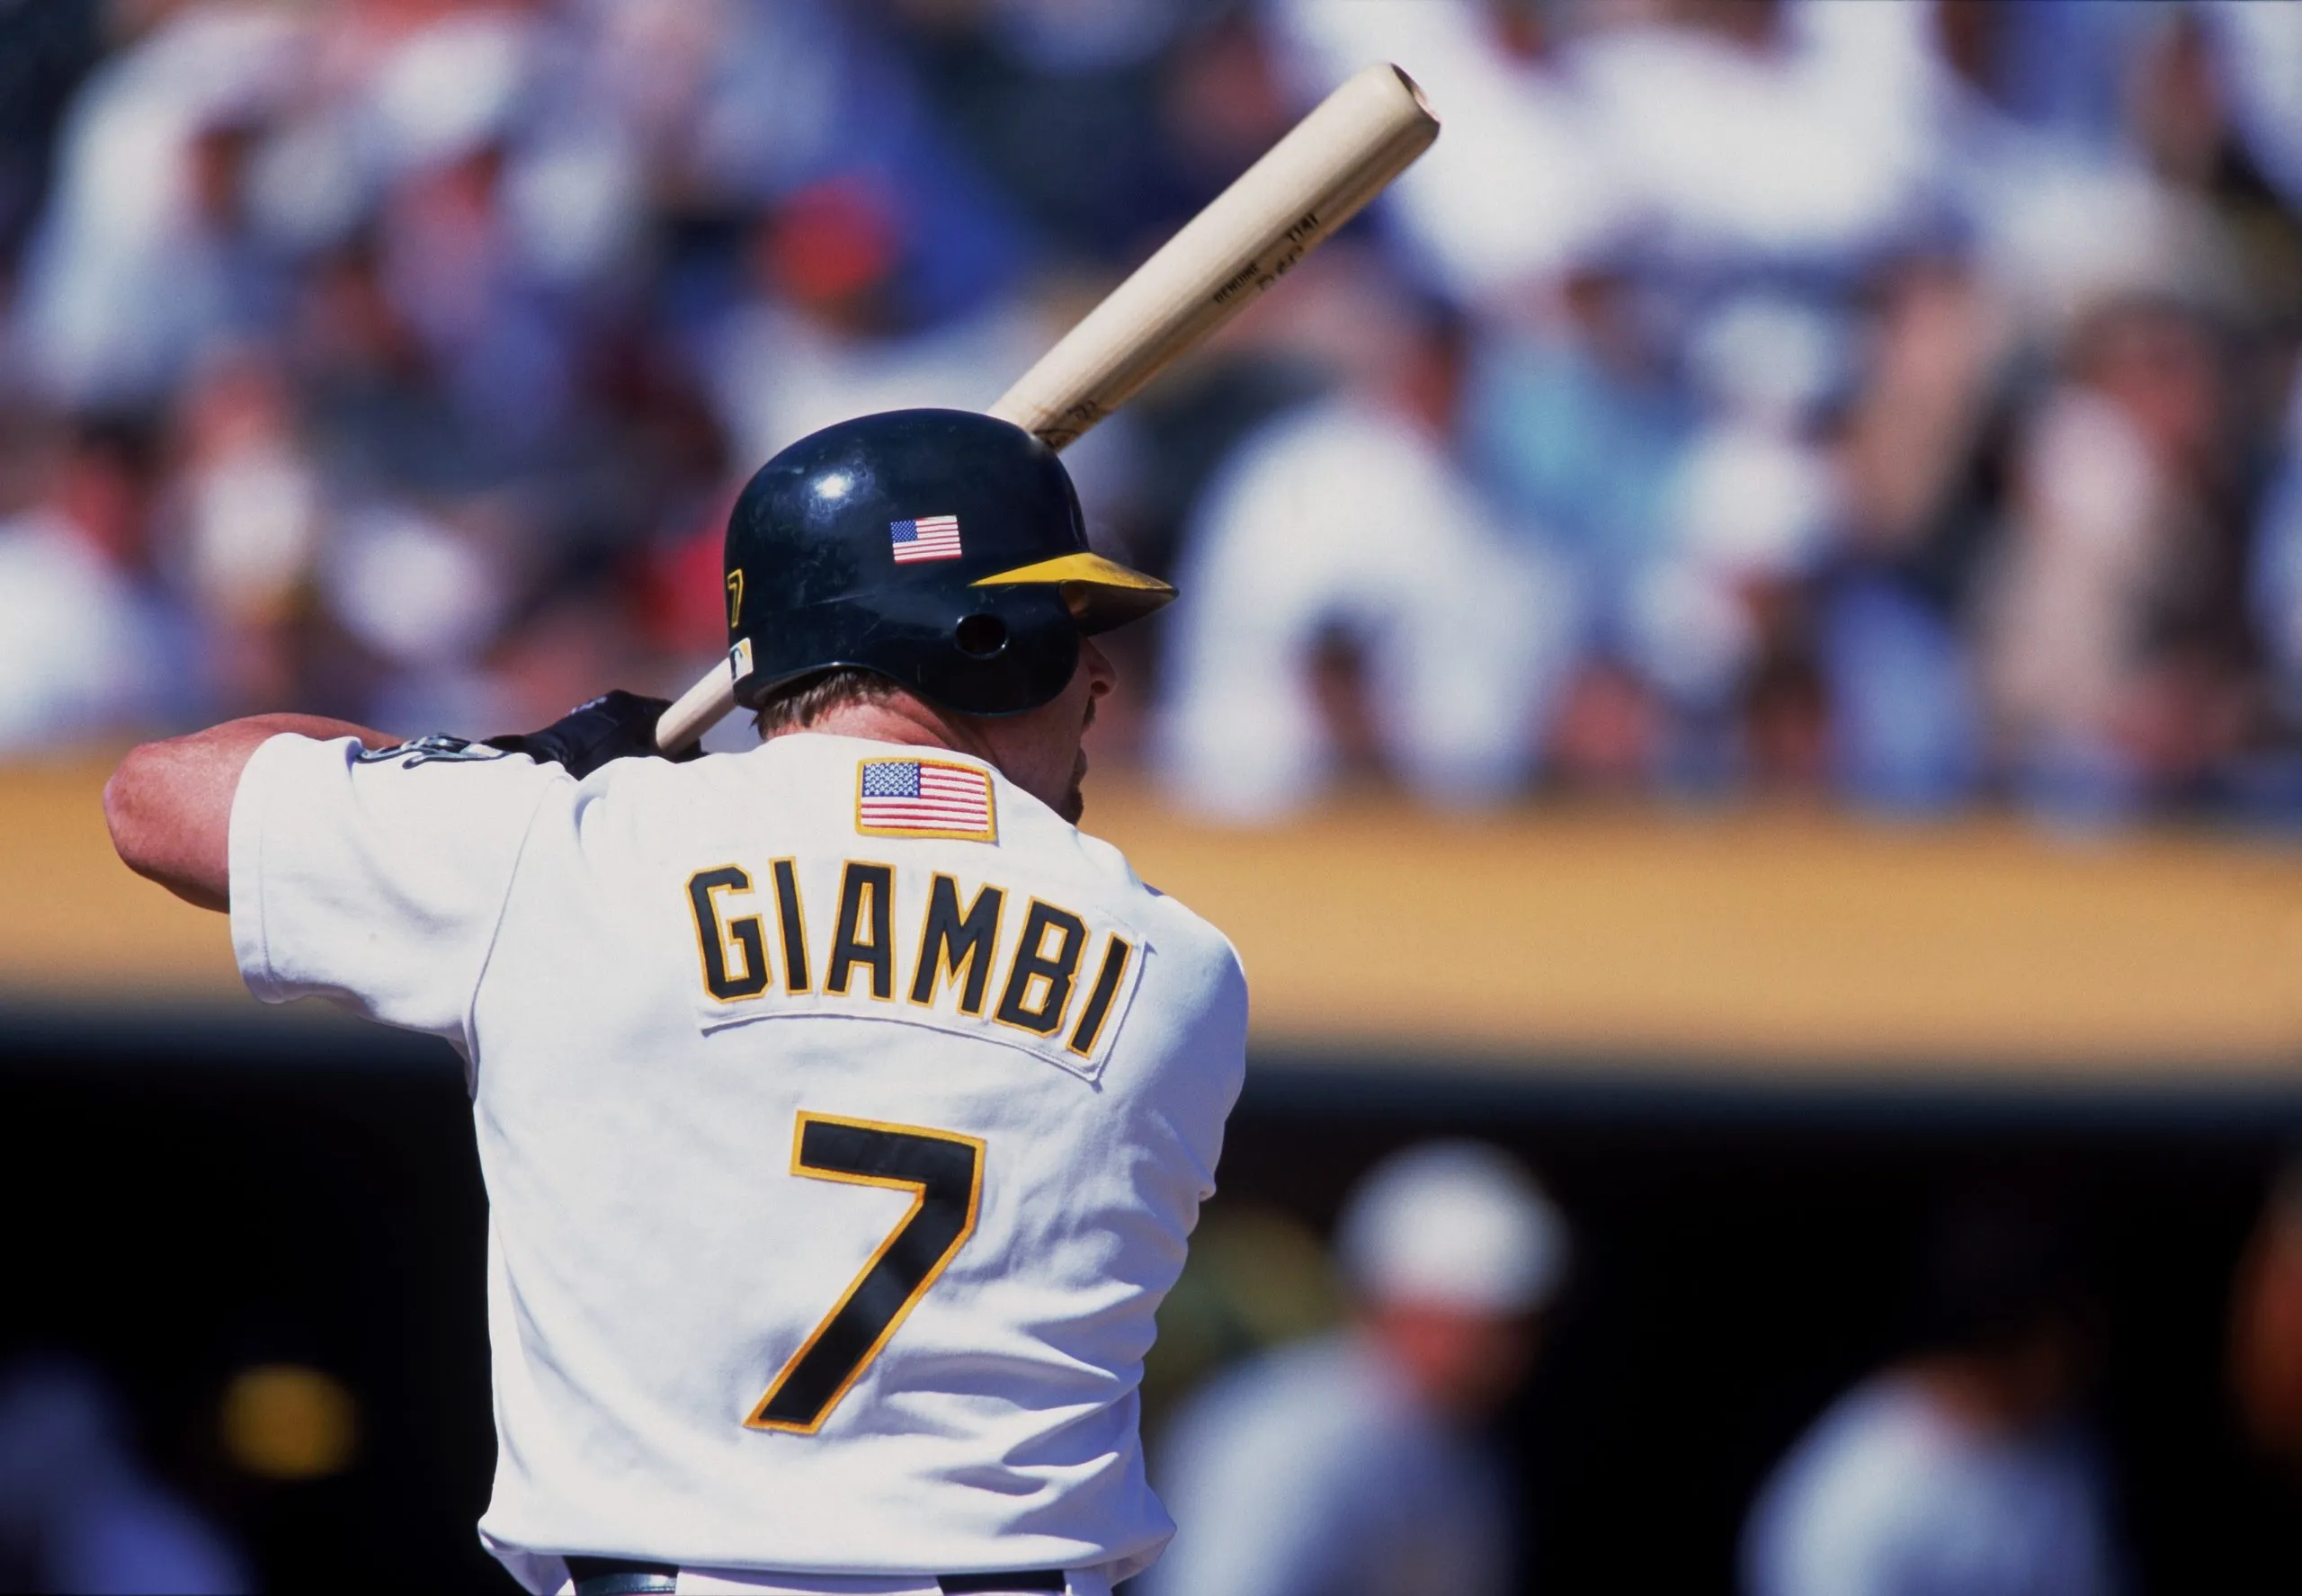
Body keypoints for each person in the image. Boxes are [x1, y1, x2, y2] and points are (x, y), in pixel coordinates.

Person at [103, 409, 1249, 1596]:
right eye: (1066, 626)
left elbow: (157, 799)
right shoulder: (1181, 969)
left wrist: (504, 763)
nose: (1102, 671)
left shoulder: (565, 851)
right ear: (982, 637)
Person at [1141, 1141, 1568, 1596]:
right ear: (1400, 1302)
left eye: (1516, 1325)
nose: (1503, 1350)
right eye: (1476, 1322)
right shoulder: (1284, 1435)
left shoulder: (1460, 1451)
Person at [1740, 1193, 2125, 1596]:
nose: (2092, 1357)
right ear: (2026, 1344)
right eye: (2073, 1335)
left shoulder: (2065, 1452)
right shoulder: (1857, 1494)